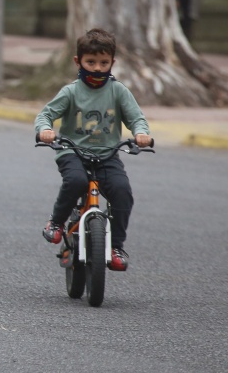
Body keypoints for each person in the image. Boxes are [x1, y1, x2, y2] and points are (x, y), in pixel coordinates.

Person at [34, 28, 151, 272]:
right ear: (78, 61)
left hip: (107, 154)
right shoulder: (71, 92)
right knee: (76, 180)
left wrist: (141, 134)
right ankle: (56, 222)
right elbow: (46, 115)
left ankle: (116, 246)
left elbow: (136, 118)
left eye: (103, 62)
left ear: (112, 63)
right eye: (91, 62)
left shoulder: (118, 91)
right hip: (72, 151)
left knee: (122, 191)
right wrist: (45, 130)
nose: (97, 68)